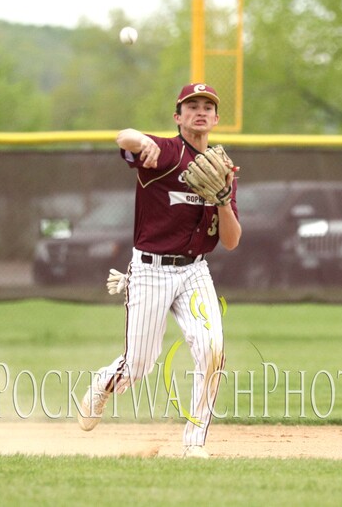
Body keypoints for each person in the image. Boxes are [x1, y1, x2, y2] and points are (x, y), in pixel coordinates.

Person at [77, 83, 241, 459]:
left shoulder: (223, 170)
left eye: (207, 107)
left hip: (195, 271)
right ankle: (104, 383)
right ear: (178, 116)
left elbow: (231, 241)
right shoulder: (167, 152)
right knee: (138, 366)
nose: (200, 111)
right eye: (191, 106)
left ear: (216, 119)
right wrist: (141, 142)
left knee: (213, 351)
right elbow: (125, 136)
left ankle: (194, 443)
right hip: (151, 270)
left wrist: (223, 203)